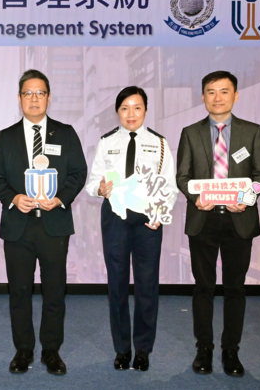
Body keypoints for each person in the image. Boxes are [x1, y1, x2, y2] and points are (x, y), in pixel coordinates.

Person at [0, 70, 88, 375]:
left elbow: (78, 173)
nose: (34, 99)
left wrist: (60, 198)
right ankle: (23, 350)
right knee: (19, 292)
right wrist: (14, 198)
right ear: (19, 99)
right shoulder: (6, 137)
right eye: (28, 93)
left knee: (54, 291)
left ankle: (51, 351)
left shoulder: (66, 133)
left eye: (39, 93)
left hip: (54, 225)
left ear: (48, 97)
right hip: (18, 225)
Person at [174, 71, 260, 377]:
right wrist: (195, 197)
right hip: (203, 219)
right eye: (210, 92)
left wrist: (247, 197)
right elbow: (183, 177)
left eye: (224, 91)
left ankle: (231, 351)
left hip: (238, 219)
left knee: (235, 288)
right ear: (202, 97)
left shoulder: (252, 132)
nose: (217, 97)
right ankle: (204, 349)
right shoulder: (190, 132)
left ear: (236, 95)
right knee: (203, 287)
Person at [85, 86, 178, 372]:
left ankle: (143, 349)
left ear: (146, 110)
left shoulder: (160, 143)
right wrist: (99, 188)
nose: (131, 114)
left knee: (147, 285)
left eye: (137, 107)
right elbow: (92, 183)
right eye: (125, 108)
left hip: (148, 220)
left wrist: (161, 213)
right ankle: (122, 349)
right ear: (118, 112)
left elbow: (170, 187)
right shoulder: (106, 142)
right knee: (117, 285)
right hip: (115, 217)